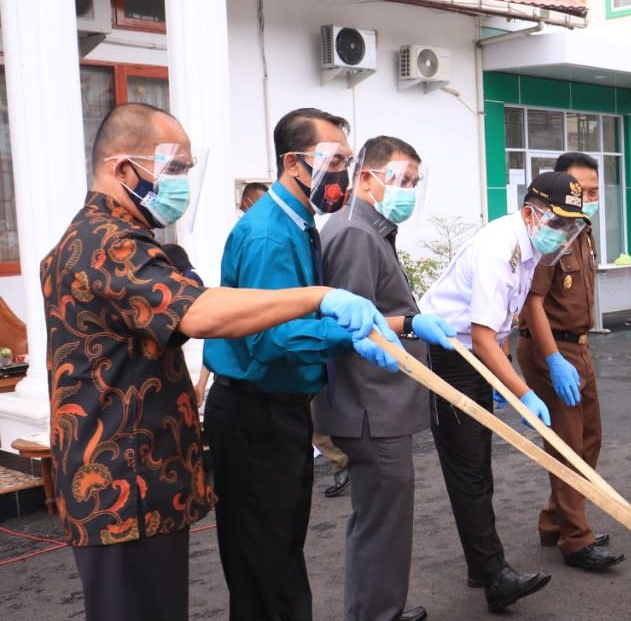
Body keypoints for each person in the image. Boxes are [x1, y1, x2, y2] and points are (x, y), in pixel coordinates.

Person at [41, 102, 398, 621]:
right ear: (123, 170)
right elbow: (201, 312)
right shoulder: (106, 243)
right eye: (175, 169)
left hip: (145, 476)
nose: (184, 182)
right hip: (122, 485)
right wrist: (319, 298)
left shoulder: (123, 238)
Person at [201, 107, 435, 620]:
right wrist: (354, 332)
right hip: (256, 409)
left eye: (347, 162)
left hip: (281, 408)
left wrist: (377, 326)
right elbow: (272, 338)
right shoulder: (270, 234)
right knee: (265, 563)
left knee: (281, 555)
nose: (343, 175)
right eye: (333, 160)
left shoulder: (299, 223)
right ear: (294, 162)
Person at [419, 171, 587, 612]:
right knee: (468, 470)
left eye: (572, 226)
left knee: (480, 467)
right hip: (447, 352)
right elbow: (480, 335)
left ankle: (483, 567)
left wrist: (501, 378)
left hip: (476, 354)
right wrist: (522, 393)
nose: (563, 234)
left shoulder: (530, 248)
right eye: (558, 223)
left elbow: (503, 325)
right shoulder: (500, 248)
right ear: (531, 213)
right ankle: (494, 576)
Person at [316, 135, 456, 621]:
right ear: (366, 177)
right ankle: (376, 614)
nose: (407, 191)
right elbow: (353, 329)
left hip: (378, 404)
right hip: (370, 406)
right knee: (382, 520)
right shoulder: (355, 232)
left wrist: (413, 325)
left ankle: (380, 608)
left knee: (383, 518)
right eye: (399, 179)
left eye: (414, 182)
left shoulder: (370, 229)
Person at [515, 152, 624, 572]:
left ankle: (554, 519)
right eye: (583, 191)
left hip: (579, 346)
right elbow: (532, 302)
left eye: (595, 191)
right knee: (568, 445)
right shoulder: (553, 233)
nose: (589, 199)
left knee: (590, 437)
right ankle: (575, 539)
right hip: (553, 349)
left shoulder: (582, 230)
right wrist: (553, 358)